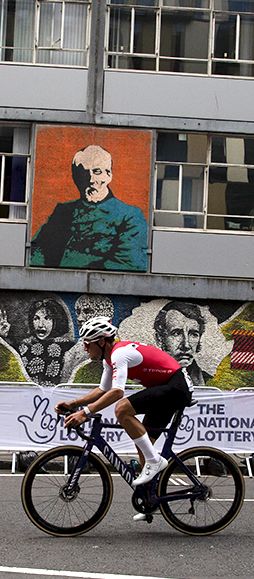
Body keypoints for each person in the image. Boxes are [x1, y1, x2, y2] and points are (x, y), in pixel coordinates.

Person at [55, 316, 193, 520]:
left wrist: (85, 413)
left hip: (176, 387)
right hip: (166, 387)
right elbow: (103, 389)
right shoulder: (109, 358)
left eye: (87, 343)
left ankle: (155, 462)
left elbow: (117, 393)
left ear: (101, 341)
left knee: (122, 410)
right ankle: (150, 499)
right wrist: (74, 404)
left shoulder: (119, 353)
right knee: (144, 441)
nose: (85, 348)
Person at [29, 145, 148, 271]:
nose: (91, 180)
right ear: (75, 177)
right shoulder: (63, 210)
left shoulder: (130, 215)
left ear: (109, 176)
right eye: (83, 173)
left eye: (97, 172)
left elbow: (128, 263)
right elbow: (38, 250)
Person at [154, 301, 212, 386]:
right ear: (159, 339)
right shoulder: (144, 379)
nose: (186, 345)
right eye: (176, 333)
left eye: (193, 334)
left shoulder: (210, 385)